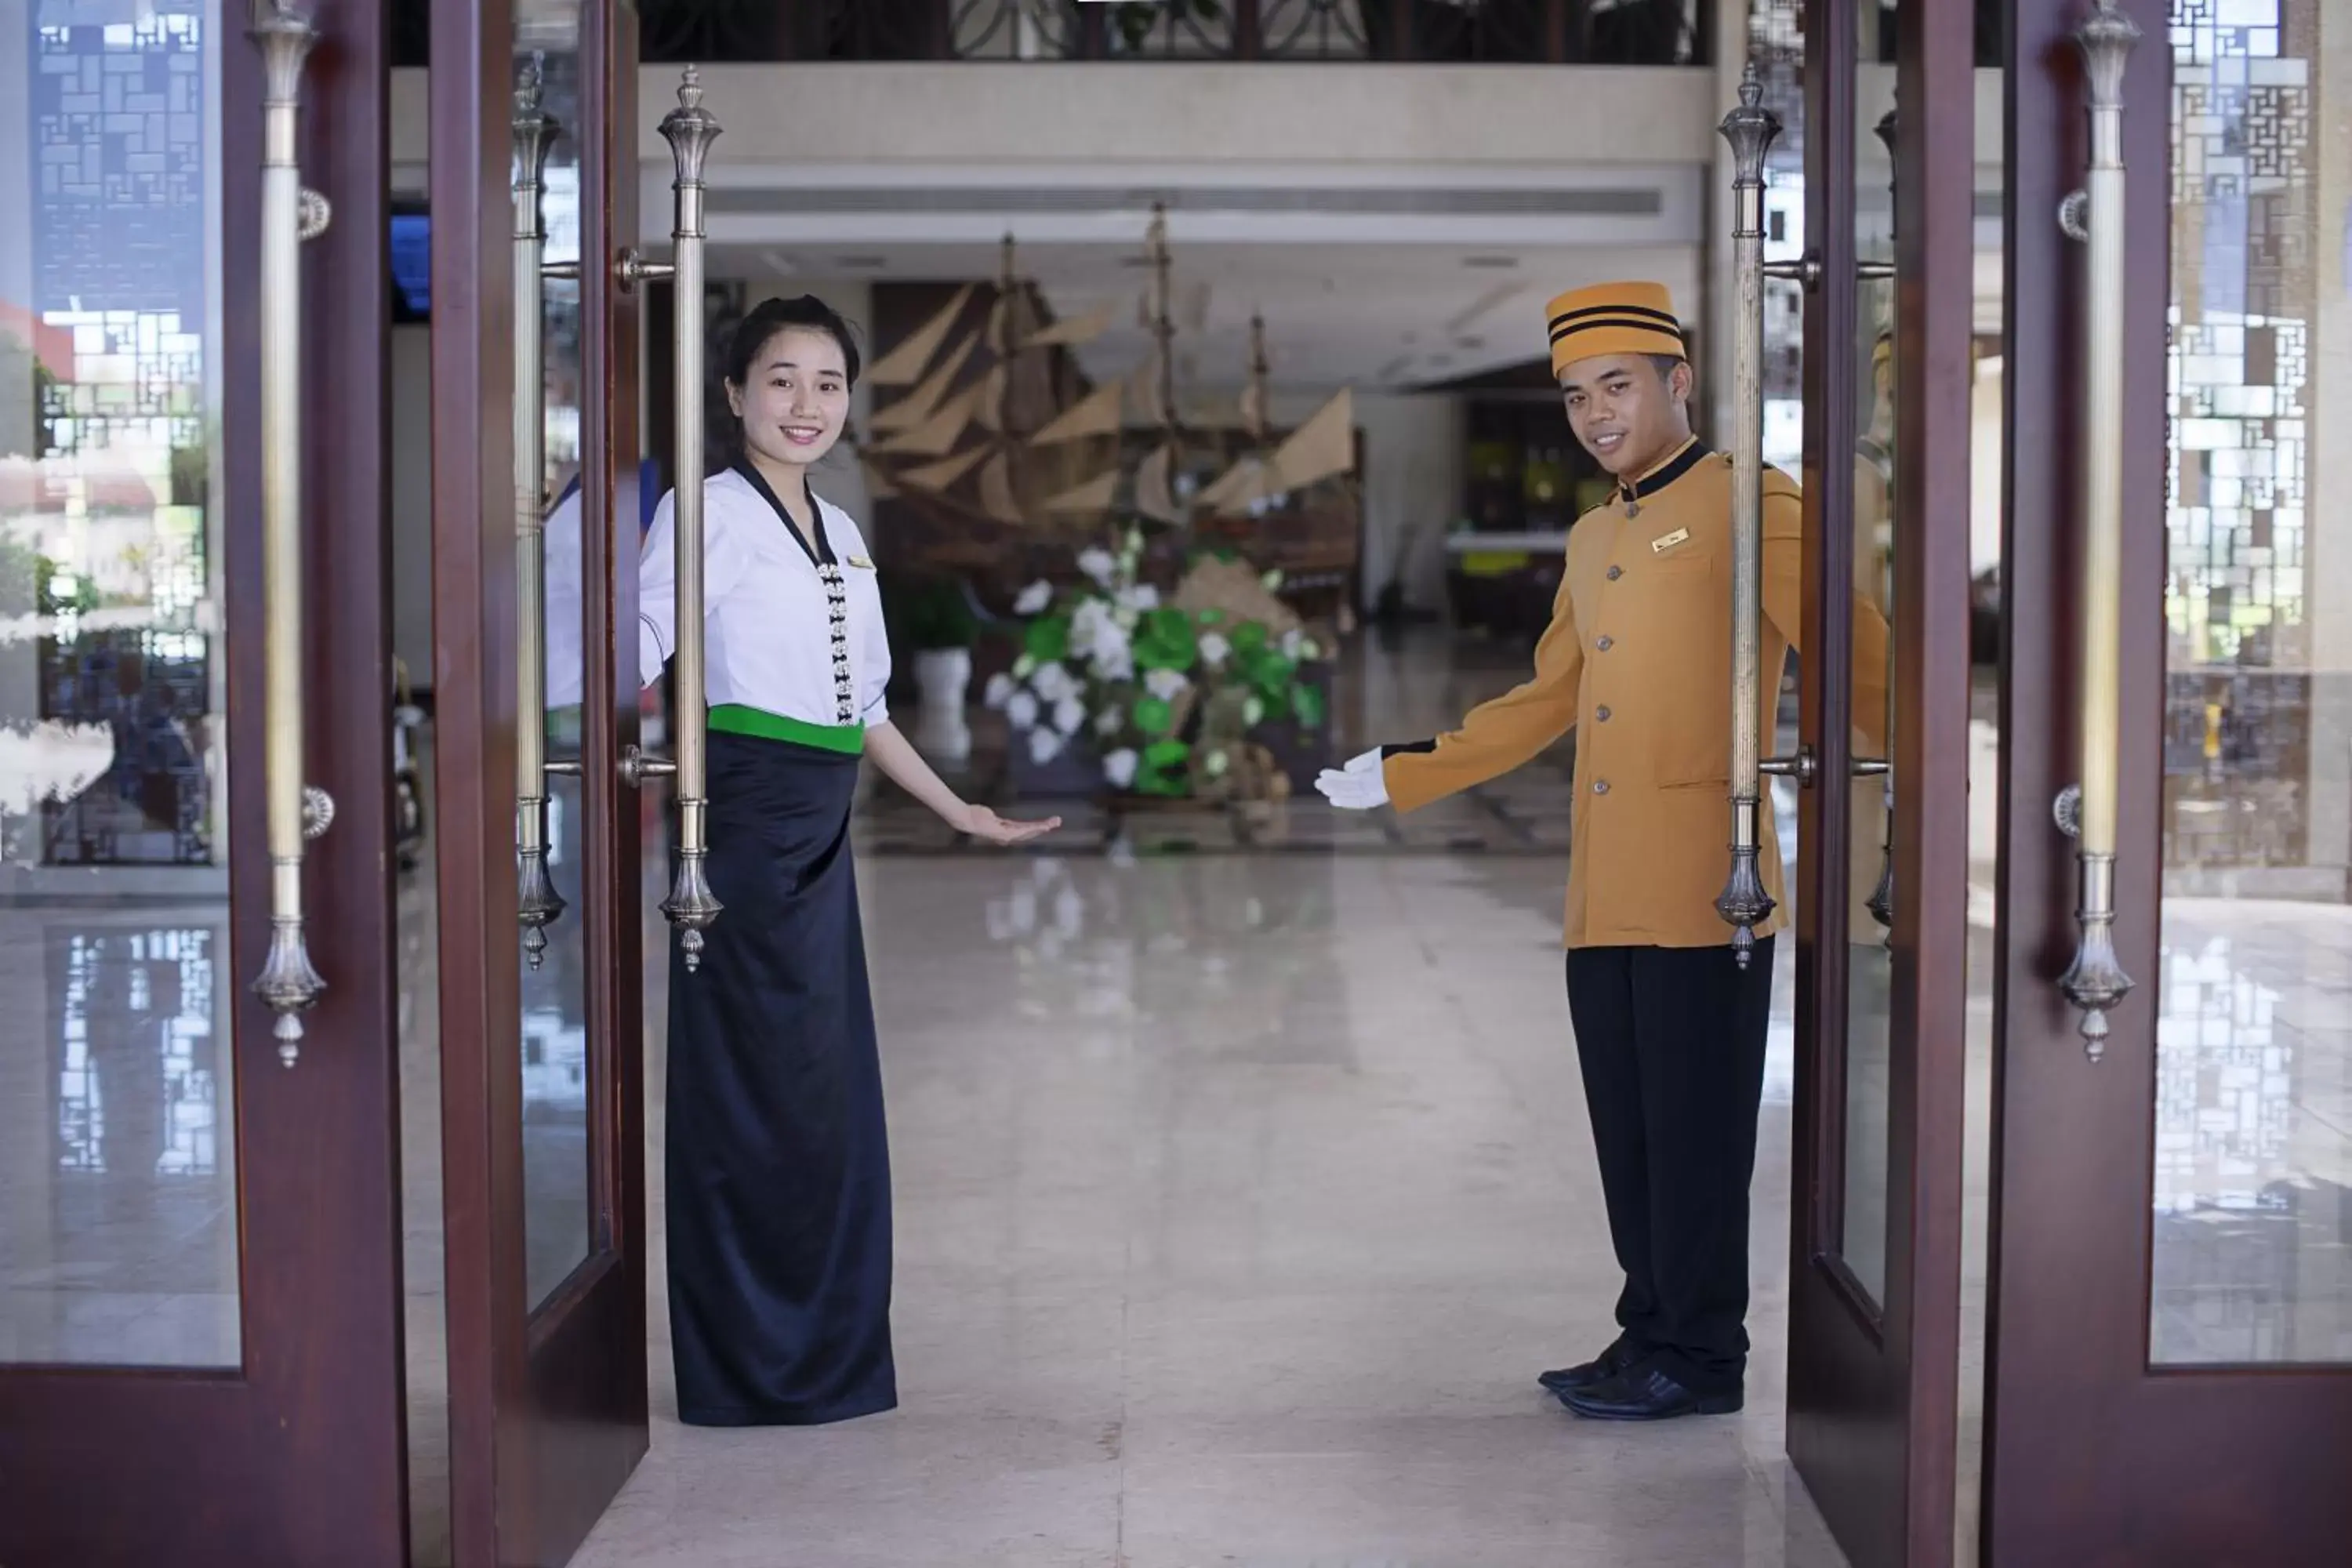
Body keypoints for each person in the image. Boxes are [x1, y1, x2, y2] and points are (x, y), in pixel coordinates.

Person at [1316, 281, 1888, 1422]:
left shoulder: (1751, 503)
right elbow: (1549, 698)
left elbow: (1856, 660)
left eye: (1617, 385)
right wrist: (1407, 768)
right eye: (1576, 395)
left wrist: (1941, 781)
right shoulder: (1595, 532)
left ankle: (1705, 1356)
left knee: (1697, 1136)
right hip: (1603, 886)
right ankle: (1649, 1335)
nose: (1594, 413)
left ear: (1680, 383)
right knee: (1630, 1133)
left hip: (1705, 883)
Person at [639, 294, 1060, 1426]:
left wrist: (958, 809)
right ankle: (749, 1370)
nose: (806, 404)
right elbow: (635, 654)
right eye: (781, 380)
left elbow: (864, 706)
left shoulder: (848, 531)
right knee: (754, 1097)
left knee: (823, 1097)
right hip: (744, 825)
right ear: (734, 397)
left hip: (821, 831)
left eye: (828, 383)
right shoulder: (705, 513)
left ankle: (823, 1358)